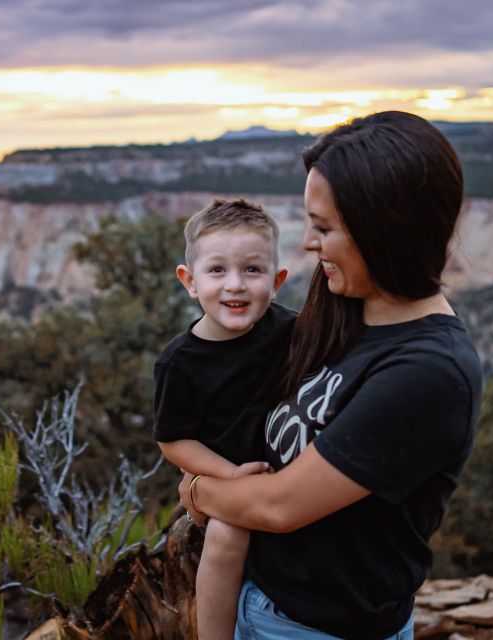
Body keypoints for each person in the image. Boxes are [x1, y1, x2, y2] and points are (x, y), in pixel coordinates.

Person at [178, 111, 483, 640]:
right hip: (255, 598)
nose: (308, 245)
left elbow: (280, 506)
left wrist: (199, 492)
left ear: (382, 231)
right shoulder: (345, 301)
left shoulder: (428, 375)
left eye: (323, 228)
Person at [153, 198, 295, 640]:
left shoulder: (295, 332)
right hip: (230, 483)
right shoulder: (180, 362)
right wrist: (229, 475)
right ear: (189, 281)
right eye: (217, 271)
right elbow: (174, 441)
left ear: (277, 281)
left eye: (252, 270)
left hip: (293, 478)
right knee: (228, 536)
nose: (235, 285)